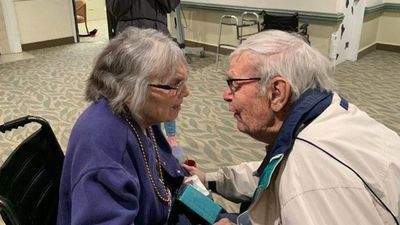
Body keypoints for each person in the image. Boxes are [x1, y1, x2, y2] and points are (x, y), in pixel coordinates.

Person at [185, 30, 400, 225]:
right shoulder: (323, 113)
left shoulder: (311, 175)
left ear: (277, 93)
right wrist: (213, 180)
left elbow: (301, 179)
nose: (226, 95)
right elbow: (273, 172)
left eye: (234, 84)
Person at [57, 27, 191, 225]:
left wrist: (186, 180)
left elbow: (163, 168)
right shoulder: (105, 147)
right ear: (131, 87)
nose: (186, 92)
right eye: (175, 84)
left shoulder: (141, 114)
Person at [106, 0, 183, 155]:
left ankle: (167, 137)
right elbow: (116, 8)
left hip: (158, 37)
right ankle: (135, 141)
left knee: (166, 90)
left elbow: (170, 5)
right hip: (128, 40)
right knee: (130, 94)